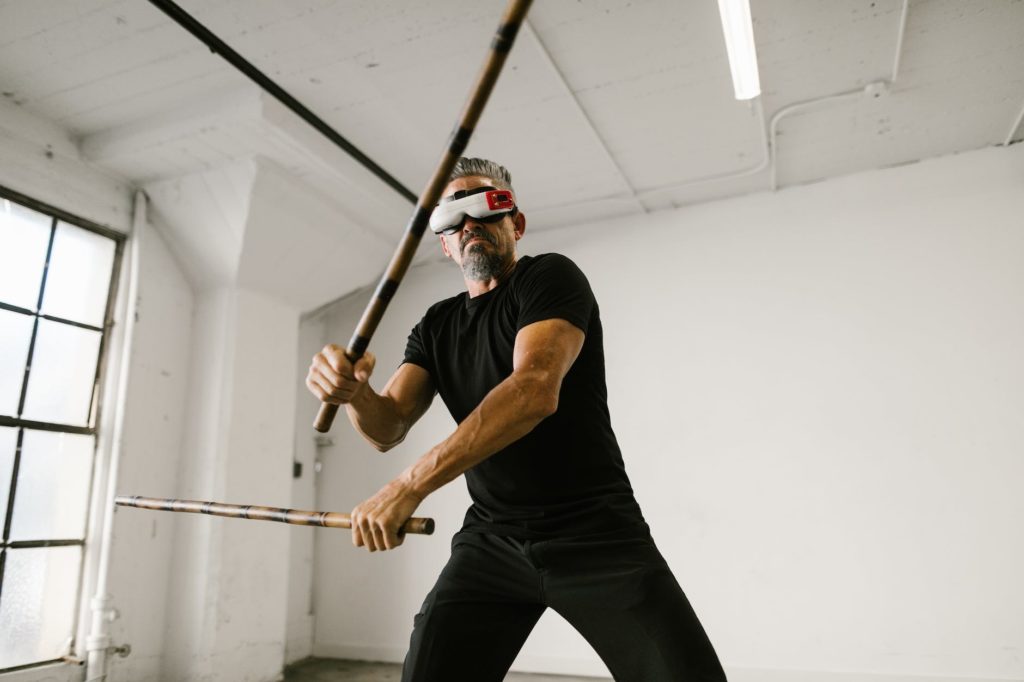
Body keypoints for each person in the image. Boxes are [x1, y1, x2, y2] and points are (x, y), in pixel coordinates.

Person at [306, 158, 727, 681]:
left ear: (516, 224)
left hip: (595, 534)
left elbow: (533, 391)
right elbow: (387, 427)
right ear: (445, 244)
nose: (470, 225)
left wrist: (407, 488)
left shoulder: (548, 277)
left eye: (486, 206)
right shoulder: (436, 326)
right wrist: (354, 393)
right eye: (452, 219)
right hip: (492, 541)